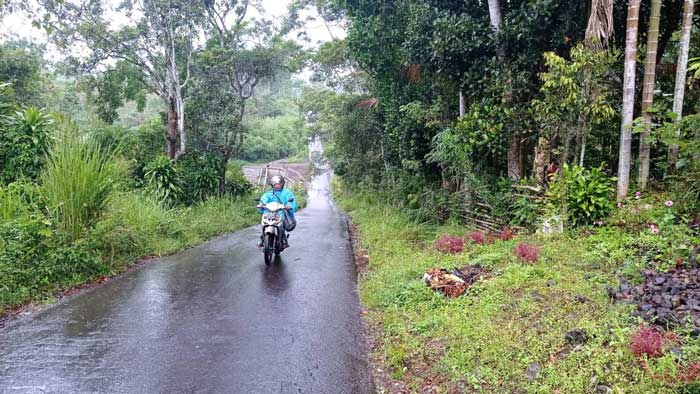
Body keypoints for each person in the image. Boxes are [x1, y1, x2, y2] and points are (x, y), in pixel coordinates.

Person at [257, 175, 297, 249]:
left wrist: (289, 205)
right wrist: (261, 204)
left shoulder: (287, 193)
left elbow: (291, 201)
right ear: (272, 185)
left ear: (282, 184)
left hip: (281, 212)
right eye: (276, 184)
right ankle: (262, 238)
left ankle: (283, 239)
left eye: (279, 184)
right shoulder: (268, 193)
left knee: (282, 224)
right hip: (269, 213)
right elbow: (264, 199)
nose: (277, 186)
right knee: (264, 223)